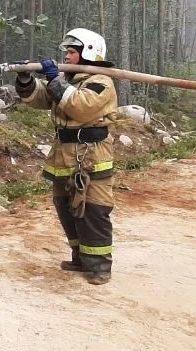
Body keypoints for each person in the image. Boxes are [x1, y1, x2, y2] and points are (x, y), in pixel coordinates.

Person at [16, 28, 120, 285]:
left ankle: (99, 266)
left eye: (72, 52)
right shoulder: (69, 81)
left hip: (91, 155)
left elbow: (81, 107)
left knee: (93, 210)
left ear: (89, 54)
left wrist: (55, 79)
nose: (67, 56)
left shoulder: (101, 82)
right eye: (67, 52)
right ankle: (80, 257)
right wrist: (26, 80)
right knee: (66, 208)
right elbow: (41, 97)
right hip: (63, 155)